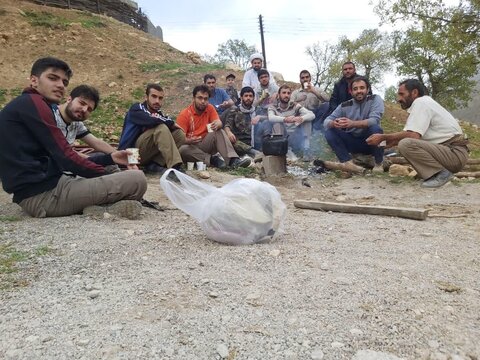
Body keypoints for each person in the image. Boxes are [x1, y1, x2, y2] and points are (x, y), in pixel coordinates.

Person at [0, 57, 147, 218]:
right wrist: (109, 173)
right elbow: (67, 156)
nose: (60, 85)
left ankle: (103, 203)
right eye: (52, 78)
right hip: (42, 194)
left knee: (115, 169)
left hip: (51, 182)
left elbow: (94, 143)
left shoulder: (41, 108)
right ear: (34, 80)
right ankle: (105, 206)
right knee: (137, 179)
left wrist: (113, 157)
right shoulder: (36, 106)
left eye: (64, 82)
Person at [366, 79, 469, 188]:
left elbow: (412, 135)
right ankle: (433, 173)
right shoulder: (425, 103)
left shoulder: (421, 102)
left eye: (401, 94)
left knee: (406, 144)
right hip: (450, 152)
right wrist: (391, 142)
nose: (398, 99)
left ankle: (441, 174)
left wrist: (383, 137)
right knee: (405, 143)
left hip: (454, 153)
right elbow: (414, 134)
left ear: (414, 93)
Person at [176, 85, 251, 168]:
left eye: (205, 99)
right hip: (191, 147)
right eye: (200, 98)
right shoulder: (184, 114)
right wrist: (189, 140)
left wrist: (218, 124)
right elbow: (178, 140)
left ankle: (233, 160)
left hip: (205, 143)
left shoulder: (210, 108)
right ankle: (213, 160)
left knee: (219, 131)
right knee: (183, 150)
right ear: (193, 98)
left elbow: (218, 122)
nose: (203, 101)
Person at [118, 83, 185, 174]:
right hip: (130, 156)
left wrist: (170, 123)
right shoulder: (136, 109)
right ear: (146, 97)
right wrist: (171, 123)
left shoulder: (158, 114)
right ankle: (175, 167)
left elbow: (162, 119)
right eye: (154, 96)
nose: (157, 101)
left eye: (160, 98)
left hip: (144, 156)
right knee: (161, 128)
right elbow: (151, 120)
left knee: (179, 134)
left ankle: (155, 165)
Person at [324, 76, 385, 173]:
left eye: (362, 88)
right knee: (329, 131)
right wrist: (333, 123)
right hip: (352, 142)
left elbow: (374, 120)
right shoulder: (344, 105)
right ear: (351, 92)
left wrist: (352, 123)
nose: (359, 91)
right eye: (355, 89)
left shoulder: (375, 99)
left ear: (368, 89)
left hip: (370, 142)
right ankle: (347, 162)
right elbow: (326, 121)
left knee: (376, 129)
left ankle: (379, 162)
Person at [53, 85, 116, 152]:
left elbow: (96, 142)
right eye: (82, 103)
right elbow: (62, 153)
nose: (84, 110)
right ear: (69, 99)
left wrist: (118, 155)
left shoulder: (76, 123)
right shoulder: (50, 115)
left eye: (89, 109)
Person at [267, 84, 315, 156]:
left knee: (306, 119)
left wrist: (301, 119)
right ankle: (281, 150)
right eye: (284, 93)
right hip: (282, 137)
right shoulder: (273, 107)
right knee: (277, 123)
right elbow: (271, 118)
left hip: (295, 136)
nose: (286, 95)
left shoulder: (294, 105)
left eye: (288, 93)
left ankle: (306, 149)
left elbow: (312, 115)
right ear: (279, 95)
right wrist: (285, 119)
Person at [223, 86, 262, 157]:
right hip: (239, 142)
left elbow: (268, 119)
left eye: (250, 96)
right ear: (241, 97)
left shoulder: (257, 111)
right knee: (229, 140)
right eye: (246, 96)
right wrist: (228, 133)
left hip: (254, 141)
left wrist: (260, 117)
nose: (248, 98)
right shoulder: (234, 110)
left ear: (253, 98)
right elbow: (227, 126)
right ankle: (255, 153)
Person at [253, 69, 279, 149]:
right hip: (261, 111)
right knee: (259, 125)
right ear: (259, 79)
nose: (264, 79)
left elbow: (283, 93)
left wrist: (277, 94)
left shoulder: (274, 87)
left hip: (274, 110)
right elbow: (254, 105)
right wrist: (262, 98)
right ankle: (259, 146)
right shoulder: (257, 90)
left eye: (265, 77)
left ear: (268, 77)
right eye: (261, 77)